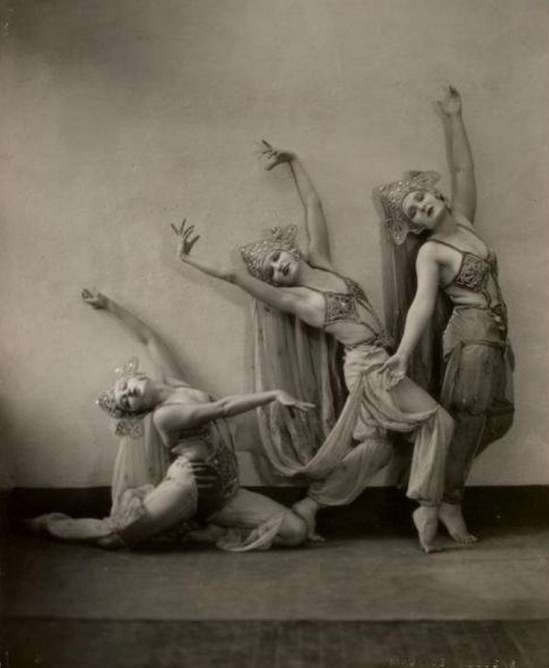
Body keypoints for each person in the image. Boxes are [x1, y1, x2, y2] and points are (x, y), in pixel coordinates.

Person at [173, 142, 454, 553]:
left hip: (377, 361)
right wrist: (187, 259)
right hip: (369, 369)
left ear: (290, 249)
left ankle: (309, 507)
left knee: (376, 448)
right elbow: (234, 276)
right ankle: (428, 506)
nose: (278, 266)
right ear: (276, 284)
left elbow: (313, 204)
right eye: (271, 270)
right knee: (439, 421)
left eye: (277, 257)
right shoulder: (297, 300)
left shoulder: (323, 262)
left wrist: (294, 161)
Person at [26, 289, 311, 551]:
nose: (127, 393)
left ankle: (212, 529)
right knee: (113, 537)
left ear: (137, 376)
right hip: (186, 488)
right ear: (137, 411)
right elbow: (223, 408)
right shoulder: (165, 416)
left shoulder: (177, 384)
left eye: (124, 387)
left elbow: (148, 338)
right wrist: (273, 394)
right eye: (126, 401)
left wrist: (109, 304)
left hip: (224, 495)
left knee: (295, 531)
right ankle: (48, 525)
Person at [378, 86, 514, 544]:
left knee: (497, 418)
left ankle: (434, 496)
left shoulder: (465, 221)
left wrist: (455, 117)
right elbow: (422, 303)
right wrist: (403, 353)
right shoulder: (431, 251)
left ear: (433, 191)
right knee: (468, 420)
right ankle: (446, 503)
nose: (422, 205)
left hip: (495, 337)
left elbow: (463, 170)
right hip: (471, 338)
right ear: (414, 225)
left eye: (421, 196)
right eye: (414, 210)